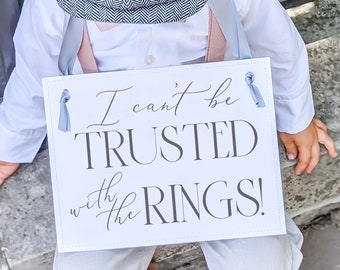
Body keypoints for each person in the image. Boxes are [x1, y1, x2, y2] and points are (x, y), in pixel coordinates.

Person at [0, 0, 337, 269]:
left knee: (261, 259)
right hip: (109, 166)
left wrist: (294, 116)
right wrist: (10, 144)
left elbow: (276, 43)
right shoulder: (51, 5)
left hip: (218, 150)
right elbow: (33, 75)